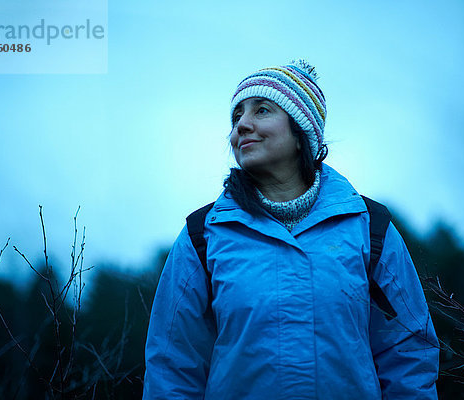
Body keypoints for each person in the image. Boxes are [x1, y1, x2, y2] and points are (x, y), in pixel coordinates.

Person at [143, 60, 439, 399]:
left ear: (301, 133)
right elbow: (172, 367)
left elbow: (408, 355)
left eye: (262, 110)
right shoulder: (203, 236)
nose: (242, 124)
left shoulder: (369, 228)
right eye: (237, 116)